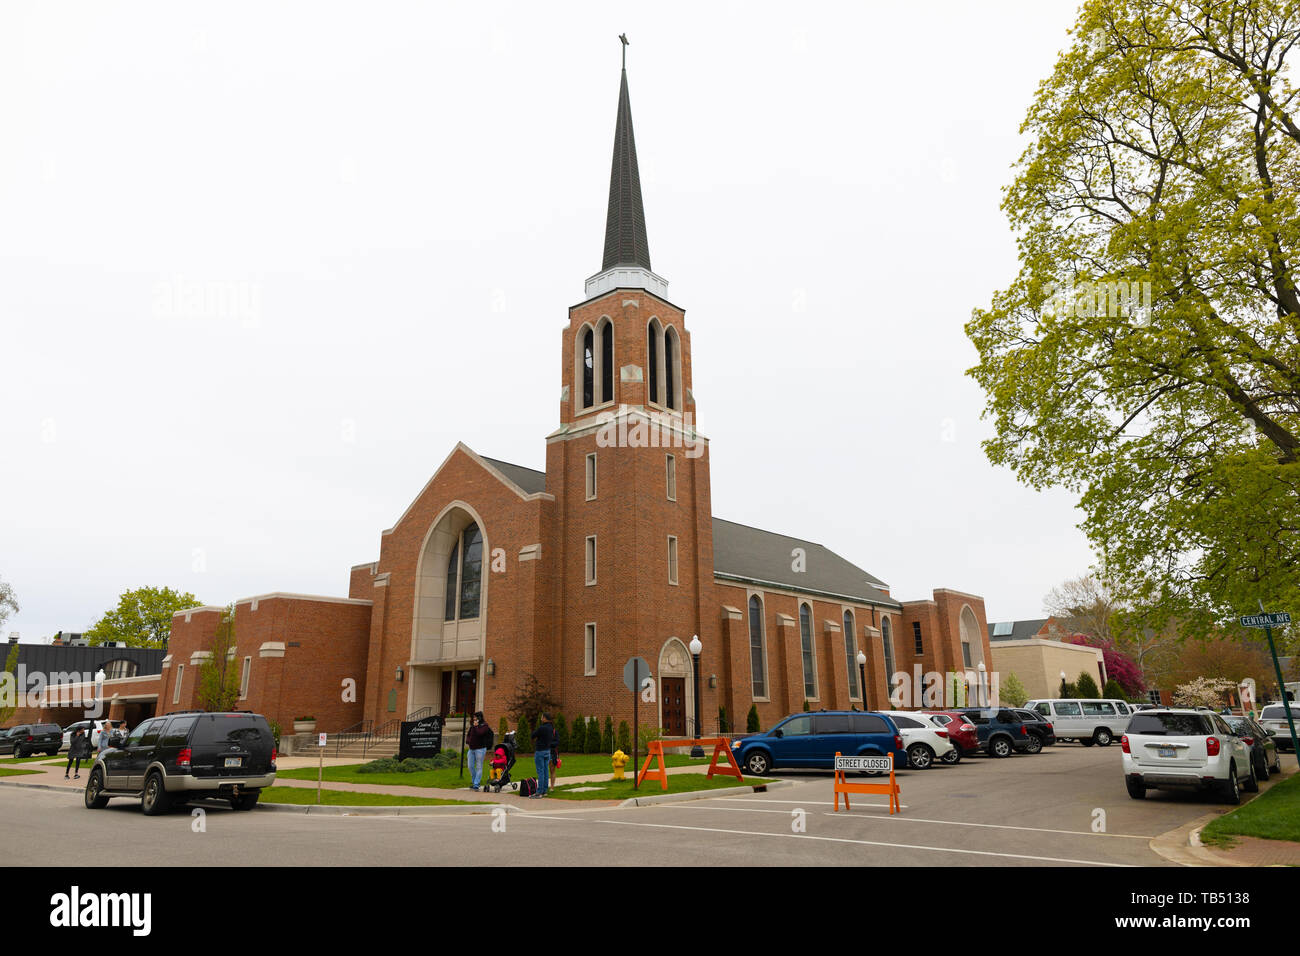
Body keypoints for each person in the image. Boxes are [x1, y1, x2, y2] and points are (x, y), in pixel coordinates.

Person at [531, 713, 556, 798]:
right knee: (545, 771)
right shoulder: (551, 728)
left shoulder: (542, 728)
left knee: (540, 772)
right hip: (547, 751)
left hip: (540, 751)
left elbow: (533, 735)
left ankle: (539, 792)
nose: (541, 719)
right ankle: (545, 790)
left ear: (545, 718)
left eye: (542, 717)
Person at [466, 711, 491, 791]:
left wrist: (476, 726)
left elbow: (480, 733)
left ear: (479, 718)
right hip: (471, 749)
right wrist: (468, 741)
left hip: (480, 749)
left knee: (479, 766)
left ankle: (476, 784)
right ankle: (474, 782)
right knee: (470, 766)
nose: (474, 719)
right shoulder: (473, 726)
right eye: (473, 717)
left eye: (475, 717)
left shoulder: (485, 726)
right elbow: (469, 734)